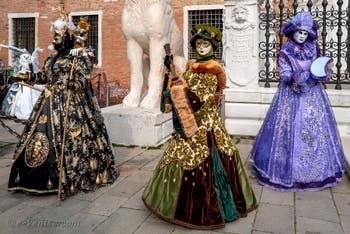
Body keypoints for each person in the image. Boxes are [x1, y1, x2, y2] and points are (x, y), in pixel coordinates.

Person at [142, 24, 257, 229]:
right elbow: (180, 90)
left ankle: (217, 208)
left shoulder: (214, 70)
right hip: (188, 124)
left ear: (212, 47)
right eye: (199, 45)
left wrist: (179, 90)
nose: (202, 48)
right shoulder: (191, 67)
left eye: (205, 44)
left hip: (206, 125)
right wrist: (172, 79)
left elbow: (201, 101)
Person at [8, 14, 119, 201]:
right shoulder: (51, 60)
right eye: (54, 37)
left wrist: (74, 83)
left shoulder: (78, 58)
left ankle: (72, 176)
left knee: (74, 141)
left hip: (70, 104)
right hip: (48, 103)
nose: (54, 40)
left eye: (58, 37)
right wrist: (26, 77)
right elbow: (44, 77)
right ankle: (35, 177)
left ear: (67, 38)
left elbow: (83, 78)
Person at [250, 12, 345, 192]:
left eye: (305, 33)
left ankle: (316, 170)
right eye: (299, 32)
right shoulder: (285, 51)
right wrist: (299, 77)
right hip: (291, 95)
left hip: (313, 94)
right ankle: (286, 170)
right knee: (288, 128)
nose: (302, 36)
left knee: (314, 128)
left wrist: (322, 74)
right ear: (293, 32)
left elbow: (321, 66)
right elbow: (285, 74)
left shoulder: (314, 48)